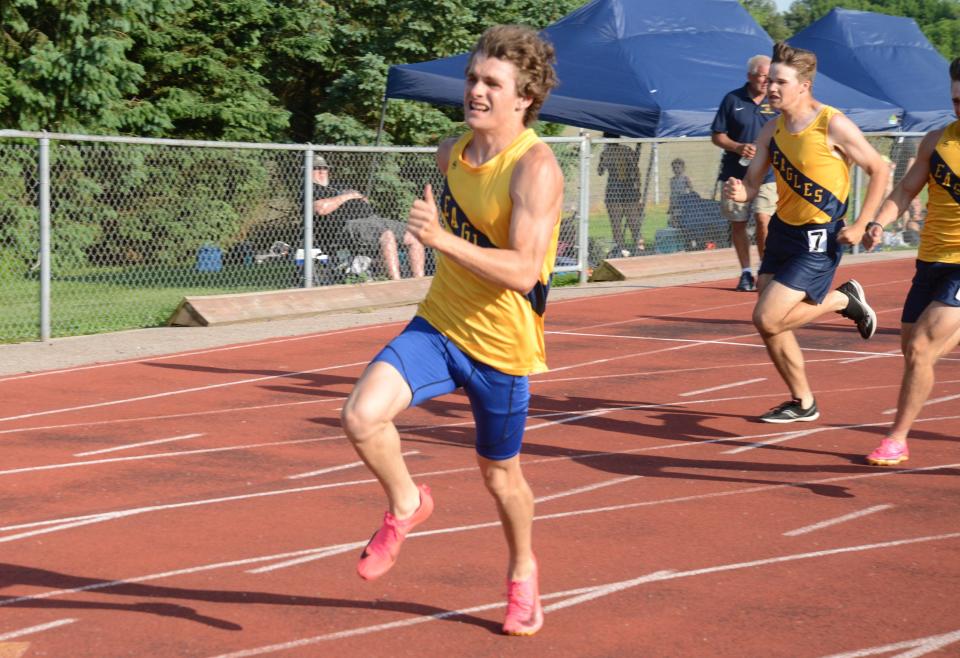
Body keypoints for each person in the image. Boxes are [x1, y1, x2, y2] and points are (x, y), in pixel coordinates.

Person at [340, 24, 562, 636]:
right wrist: (440, 237)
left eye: (493, 82)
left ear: (524, 98)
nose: (477, 90)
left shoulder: (536, 169)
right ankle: (408, 505)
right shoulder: (450, 153)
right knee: (360, 415)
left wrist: (438, 239)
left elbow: (522, 272)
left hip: (504, 347)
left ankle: (522, 573)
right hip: (440, 324)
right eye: (472, 78)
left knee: (499, 476)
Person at [724, 41, 889, 423]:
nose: (772, 89)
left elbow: (879, 169)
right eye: (770, 82)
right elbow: (752, 184)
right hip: (784, 231)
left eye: (781, 82)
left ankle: (842, 301)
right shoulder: (772, 129)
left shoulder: (831, 123)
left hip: (819, 238)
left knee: (766, 318)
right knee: (773, 327)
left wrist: (862, 222)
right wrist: (741, 190)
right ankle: (802, 402)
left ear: (804, 85)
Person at [859, 57, 960, 466]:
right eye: (957, 99)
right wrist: (878, 223)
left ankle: (897, 439)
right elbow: (905, 191)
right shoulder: (936, 141)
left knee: (920, 348)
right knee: (912, 350)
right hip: (930, 261)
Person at [712, 54, 780, 291]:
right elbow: (717, 135)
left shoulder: (777, 100)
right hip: (736, 175)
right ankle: (745, 272)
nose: (767, 82)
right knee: (738, 223)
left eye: (770, 77)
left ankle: (766, 269)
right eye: (763, 76)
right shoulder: (732, 99)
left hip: (768, 175)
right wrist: (738, 146)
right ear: (750, 76)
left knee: (764, 220)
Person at [311, 158, 425, 280]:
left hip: (372, 218)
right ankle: (396, 281)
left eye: (324, 168)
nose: (322, 171)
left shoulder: (338, 185)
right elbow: (321, 209)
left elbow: (364, 199)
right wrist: (348, 196)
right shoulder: (311, 189)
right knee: (386, 235)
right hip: (347, 224)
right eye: (317, 168)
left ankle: (419, 280)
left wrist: (354, 196)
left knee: (414, 234)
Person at [597, 133, 643, 254]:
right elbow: (635, 168)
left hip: (616, 189)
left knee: (616, 223)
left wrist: (604, 160)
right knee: (633, 222)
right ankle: (638, 247)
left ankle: (623, 249)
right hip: (628, 189)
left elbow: (600, 171)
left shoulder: (607, 153)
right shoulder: (627, 150)